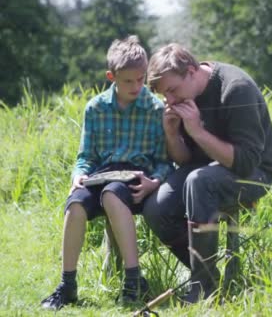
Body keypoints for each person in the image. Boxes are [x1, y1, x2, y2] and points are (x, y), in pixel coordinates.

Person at [41, 36, 173, 310]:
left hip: (136, 177)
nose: (136, 86)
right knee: (75, 204)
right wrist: (78, 175)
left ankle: (133, 282)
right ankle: (68, 285)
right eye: (128, 81)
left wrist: (154, 182)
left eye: (141, 79)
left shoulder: (155, 109)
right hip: (102, 174)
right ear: (111, 77)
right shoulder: (96, 108)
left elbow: (163, 161)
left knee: (113, 196)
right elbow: (86, 156)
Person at [143, 43, 272, 304]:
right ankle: (209, 276)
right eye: (165, 95)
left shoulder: (236, 89)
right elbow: (185, 160)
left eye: (172, 90)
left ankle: (203, 291)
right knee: (156, 209)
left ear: (192, 71)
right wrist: (172, 133)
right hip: (204, 169)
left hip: (255, 172)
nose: (170, 100)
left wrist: (197, 132)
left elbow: (245, 162)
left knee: (199, 182)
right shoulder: (183, 97)